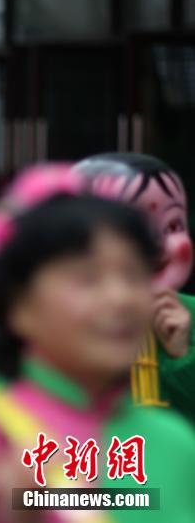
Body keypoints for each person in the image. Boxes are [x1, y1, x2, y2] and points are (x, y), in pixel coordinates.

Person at [0, 166, 195, 522]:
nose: (120, 298)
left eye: (134, 275)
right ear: (17, 304)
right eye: (87, 277)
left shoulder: (174, 444)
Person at [74, 153, 195, 418]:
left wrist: (183, 358)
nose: (159, 246)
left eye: (173, 225)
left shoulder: (191, 315)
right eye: (136, 229)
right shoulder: (52, 324)